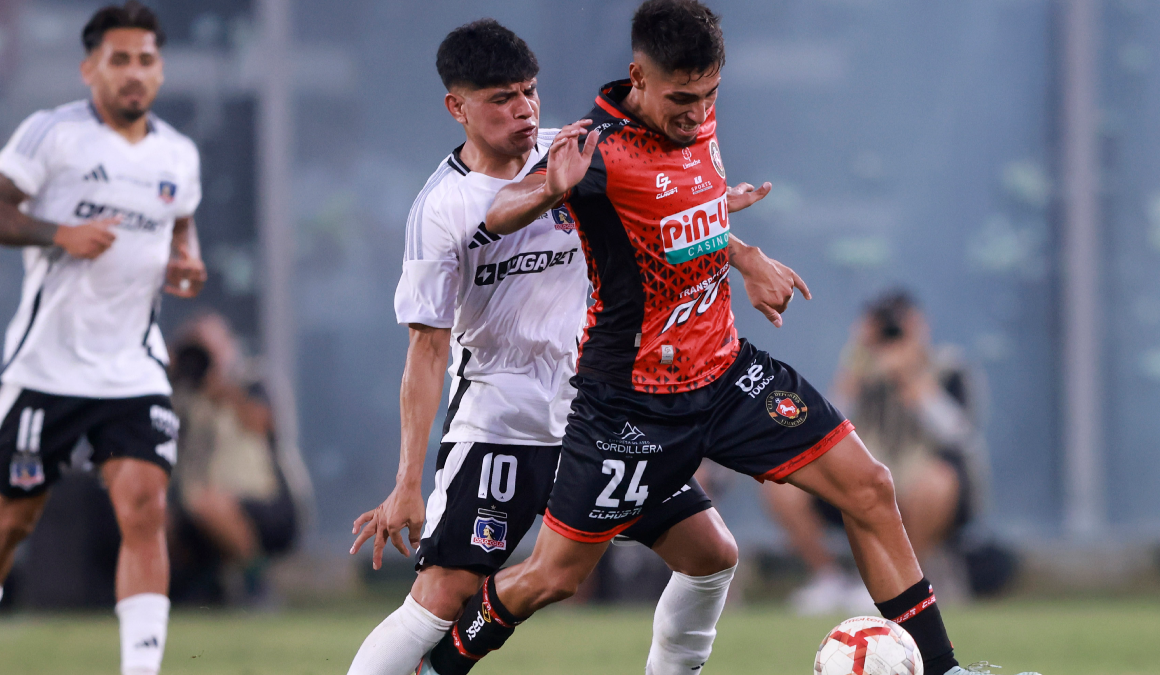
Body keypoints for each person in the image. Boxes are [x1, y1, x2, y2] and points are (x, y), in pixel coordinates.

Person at [423, 3, 1040, 675]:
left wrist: (746, 257)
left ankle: (944, 670)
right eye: (682, 98)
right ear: (639, 76)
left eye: (710, 94)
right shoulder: (598, 148)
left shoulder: (698, 114)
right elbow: (496, 213)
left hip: (724, 373)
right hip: (631, 405)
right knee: (553, 575)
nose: (697, 112)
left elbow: (685, 212)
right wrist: (550, 193)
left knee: (868, 486)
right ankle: (445, 661)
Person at [346, 20, 739, 675]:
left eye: (528, 92)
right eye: (501, 98)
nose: (523, 109)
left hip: (600, 412)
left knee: (711, 553)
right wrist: (406, 482)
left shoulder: (578, 152)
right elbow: (427, 350)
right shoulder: (441, 208)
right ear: (458, 108)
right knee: (445, 592)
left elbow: (675, 212)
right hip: (502, 420)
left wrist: (744, 252)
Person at [0, 3, 204, 674]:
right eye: (120, 60)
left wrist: (187, 260)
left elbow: (181, 228)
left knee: (146, 507)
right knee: (8, 523)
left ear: (159, 70)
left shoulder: (177, 153)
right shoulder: (51, 135)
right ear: (89, 68)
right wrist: (57, 233)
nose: (135, 73)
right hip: (46, 369)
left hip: (133, 368)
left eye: (146, 60)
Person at [764, 289, 986, 614]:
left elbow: (958, 435)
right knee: (779, 484)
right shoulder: (858, 366)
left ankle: (903, 582)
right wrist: (854, 366)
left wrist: (910, 377)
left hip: (916, 485)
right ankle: (829, 579)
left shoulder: (947, 366)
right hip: (858, 481)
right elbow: (819, 428)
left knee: (937, 483)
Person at [166, 314, 298, 605]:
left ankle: (257, 587)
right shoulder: (185, 395)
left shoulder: (252, 379)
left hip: (264, 498)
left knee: (207, 503)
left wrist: (224, 389)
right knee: (162, 512)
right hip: (201, 500)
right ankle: (194, 590)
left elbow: (261, 422)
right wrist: (172, 371)